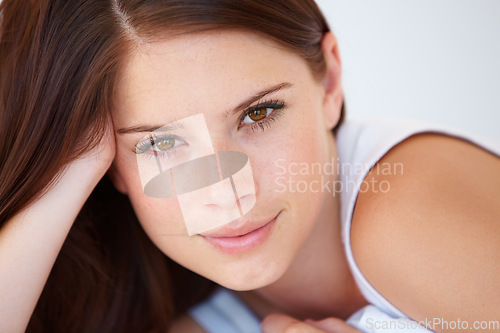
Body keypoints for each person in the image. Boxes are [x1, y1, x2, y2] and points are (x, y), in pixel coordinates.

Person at [0, 1, 499, 333]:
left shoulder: (406, 217)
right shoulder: (195, 317)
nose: (227, 192)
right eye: (162, 142)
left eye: (258, 114)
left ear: (329, 85)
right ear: (109, 168)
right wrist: (56, 182)